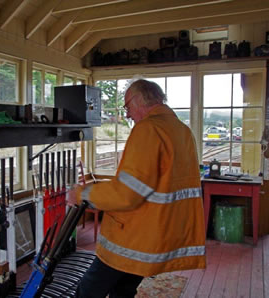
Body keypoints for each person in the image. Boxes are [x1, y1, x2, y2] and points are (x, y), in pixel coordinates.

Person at [67, 79, 206, 298]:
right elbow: (153, 184)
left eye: (128, 107)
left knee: (88, 291)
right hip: (156, 236)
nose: (128, 114)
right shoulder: (182, 131)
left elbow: (127, 195)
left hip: (130, 238)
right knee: (123, 291)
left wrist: (81, 194)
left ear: (139, 100)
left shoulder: (148, 130)